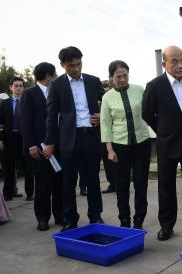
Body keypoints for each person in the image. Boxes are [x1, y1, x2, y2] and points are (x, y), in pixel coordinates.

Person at [142, 45, 182, 241]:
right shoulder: (155, 85)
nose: (180, 65)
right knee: (166, 185)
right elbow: (147, 113)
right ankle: (166, 226)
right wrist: (163, 131)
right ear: (164, 63)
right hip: (167, 142)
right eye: (175, 61)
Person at [43, 46, 104, 231]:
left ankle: (96, 217)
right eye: (71, 66)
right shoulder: (57, 84)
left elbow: (110, 103)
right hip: (69, 139)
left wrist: (102, 115)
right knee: (68, 182)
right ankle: (70, 219)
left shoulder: (93, 81)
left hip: (91, 137)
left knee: (93, 180)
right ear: (62, 65)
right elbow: (51, 116)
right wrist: (50, 142)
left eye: (79, 64)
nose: (76, 69)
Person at [101, 60, 151, 229]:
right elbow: (106, 125)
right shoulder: (107, 97)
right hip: (119, 145)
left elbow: (149, 111)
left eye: (125, 75)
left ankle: (139, 220)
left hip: (141, 142)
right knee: (121, 185)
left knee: (141, 183)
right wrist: (109, 149)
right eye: (118, 76)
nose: (122, 79)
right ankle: (124, 219)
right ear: (111, 78)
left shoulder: (139, 90)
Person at [20, 62, 63, 231]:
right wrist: (31, 146)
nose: (57, 76)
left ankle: (60, 215)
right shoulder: (29, 94)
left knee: (60, 183)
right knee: (43, 185)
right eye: (55, 74)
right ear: (48, 76)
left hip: (58, 146)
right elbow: (25, 122)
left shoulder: (57, 92)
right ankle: (43, 218)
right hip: (39, 148)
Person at [0, 77, 33, 201]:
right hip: (9, 139)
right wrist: (0, 139)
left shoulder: (27, 102)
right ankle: (8, 193)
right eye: (16, 85)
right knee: (8, 168)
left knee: (28, 167)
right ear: (11, 87)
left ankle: (30, 193)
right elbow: (1, 122)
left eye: (20, 85)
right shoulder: (5, 103)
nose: (18, 88)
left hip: (24, 139)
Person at [100, 80, 115, 194]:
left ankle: (119, 182)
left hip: (116, 135)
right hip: (102, 135)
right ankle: (112, 183)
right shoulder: (99, 102)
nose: (105, 89)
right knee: (107, 161)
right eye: (103, 87)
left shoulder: (113, 99)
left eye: (107, 87)